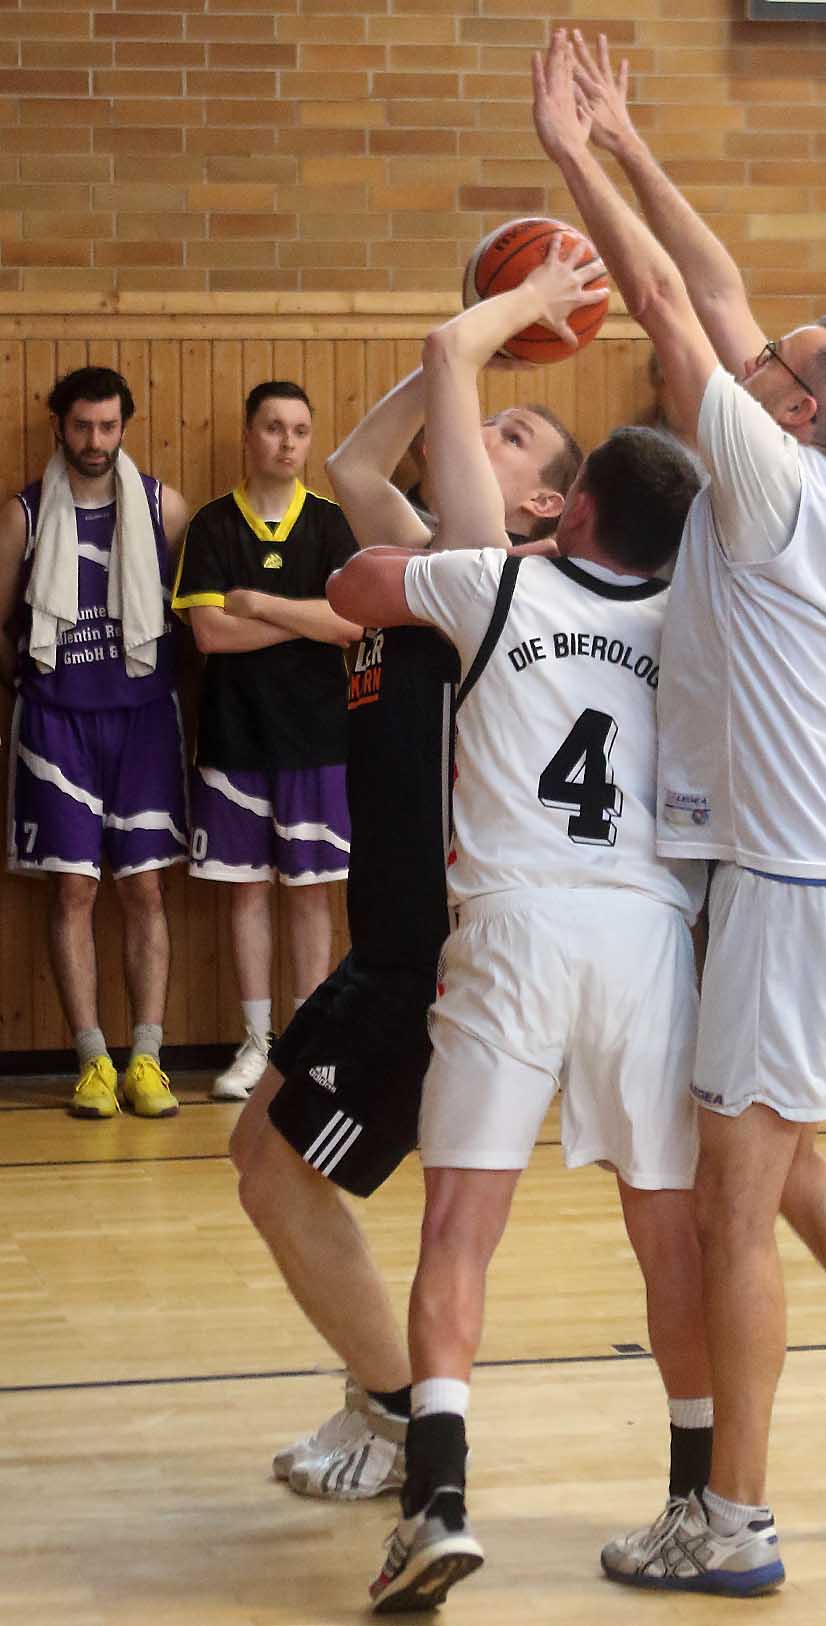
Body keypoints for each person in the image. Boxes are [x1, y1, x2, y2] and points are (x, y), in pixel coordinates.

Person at [530, 29, 826, 1594]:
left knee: (731, 1208)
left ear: (795, 409)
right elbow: (720, 287)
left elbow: (672, 306)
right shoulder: (822, 468)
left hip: (795, 886)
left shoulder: (766, 475)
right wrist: (630, 134)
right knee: (778, 1159)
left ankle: (728, 1522)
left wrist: (569, 160)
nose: (746, 356)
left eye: (772, 362)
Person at [325, 242, 714, 1613]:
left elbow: (356, 585)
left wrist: (529, 306)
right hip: (648, 936)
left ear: (572, 503)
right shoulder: (692, 625)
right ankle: (695, 1493)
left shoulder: (491, 580)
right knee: (668, 1238)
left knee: (459, 1229)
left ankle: (435, 1500)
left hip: (513, 926)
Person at [227, 312, 584, 1501]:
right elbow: (351, 464)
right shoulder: (428, 563)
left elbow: (446, 360)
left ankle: (391, 1414)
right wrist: (456, 377)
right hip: (381, 934)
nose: (483, 430)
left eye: (513, 435)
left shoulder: (494, 578)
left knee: (280, 1173)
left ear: (540, 506)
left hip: (431, 952)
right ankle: (378, 1400)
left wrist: (494, 321)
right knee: (261, 1157)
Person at [0, 366, 189, 1119]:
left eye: (108, 426)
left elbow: (190, 618)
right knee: (73, 889)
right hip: (57, 721)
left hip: (143, 718)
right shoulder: (25, 514)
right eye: (82, 426)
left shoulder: (163, 506)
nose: (95, 441)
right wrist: (34, 685)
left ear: (123, 428)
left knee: (144, 888)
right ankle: (92, 1062)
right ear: (60, 426)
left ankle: (147, 1059)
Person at [171, 382, 361, 1101]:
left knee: (310, 897)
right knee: (246, 894)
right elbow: (210, 635)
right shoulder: (213, 525)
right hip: (234, 738)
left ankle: (306, 1050)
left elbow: (351, 626)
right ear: (249, 436)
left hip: (319, 739)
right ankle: (258, 1045)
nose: (287, 442)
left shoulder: (331, 525)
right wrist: (302, 618)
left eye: (300, 430)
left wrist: (258, 604)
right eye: (274, 427)